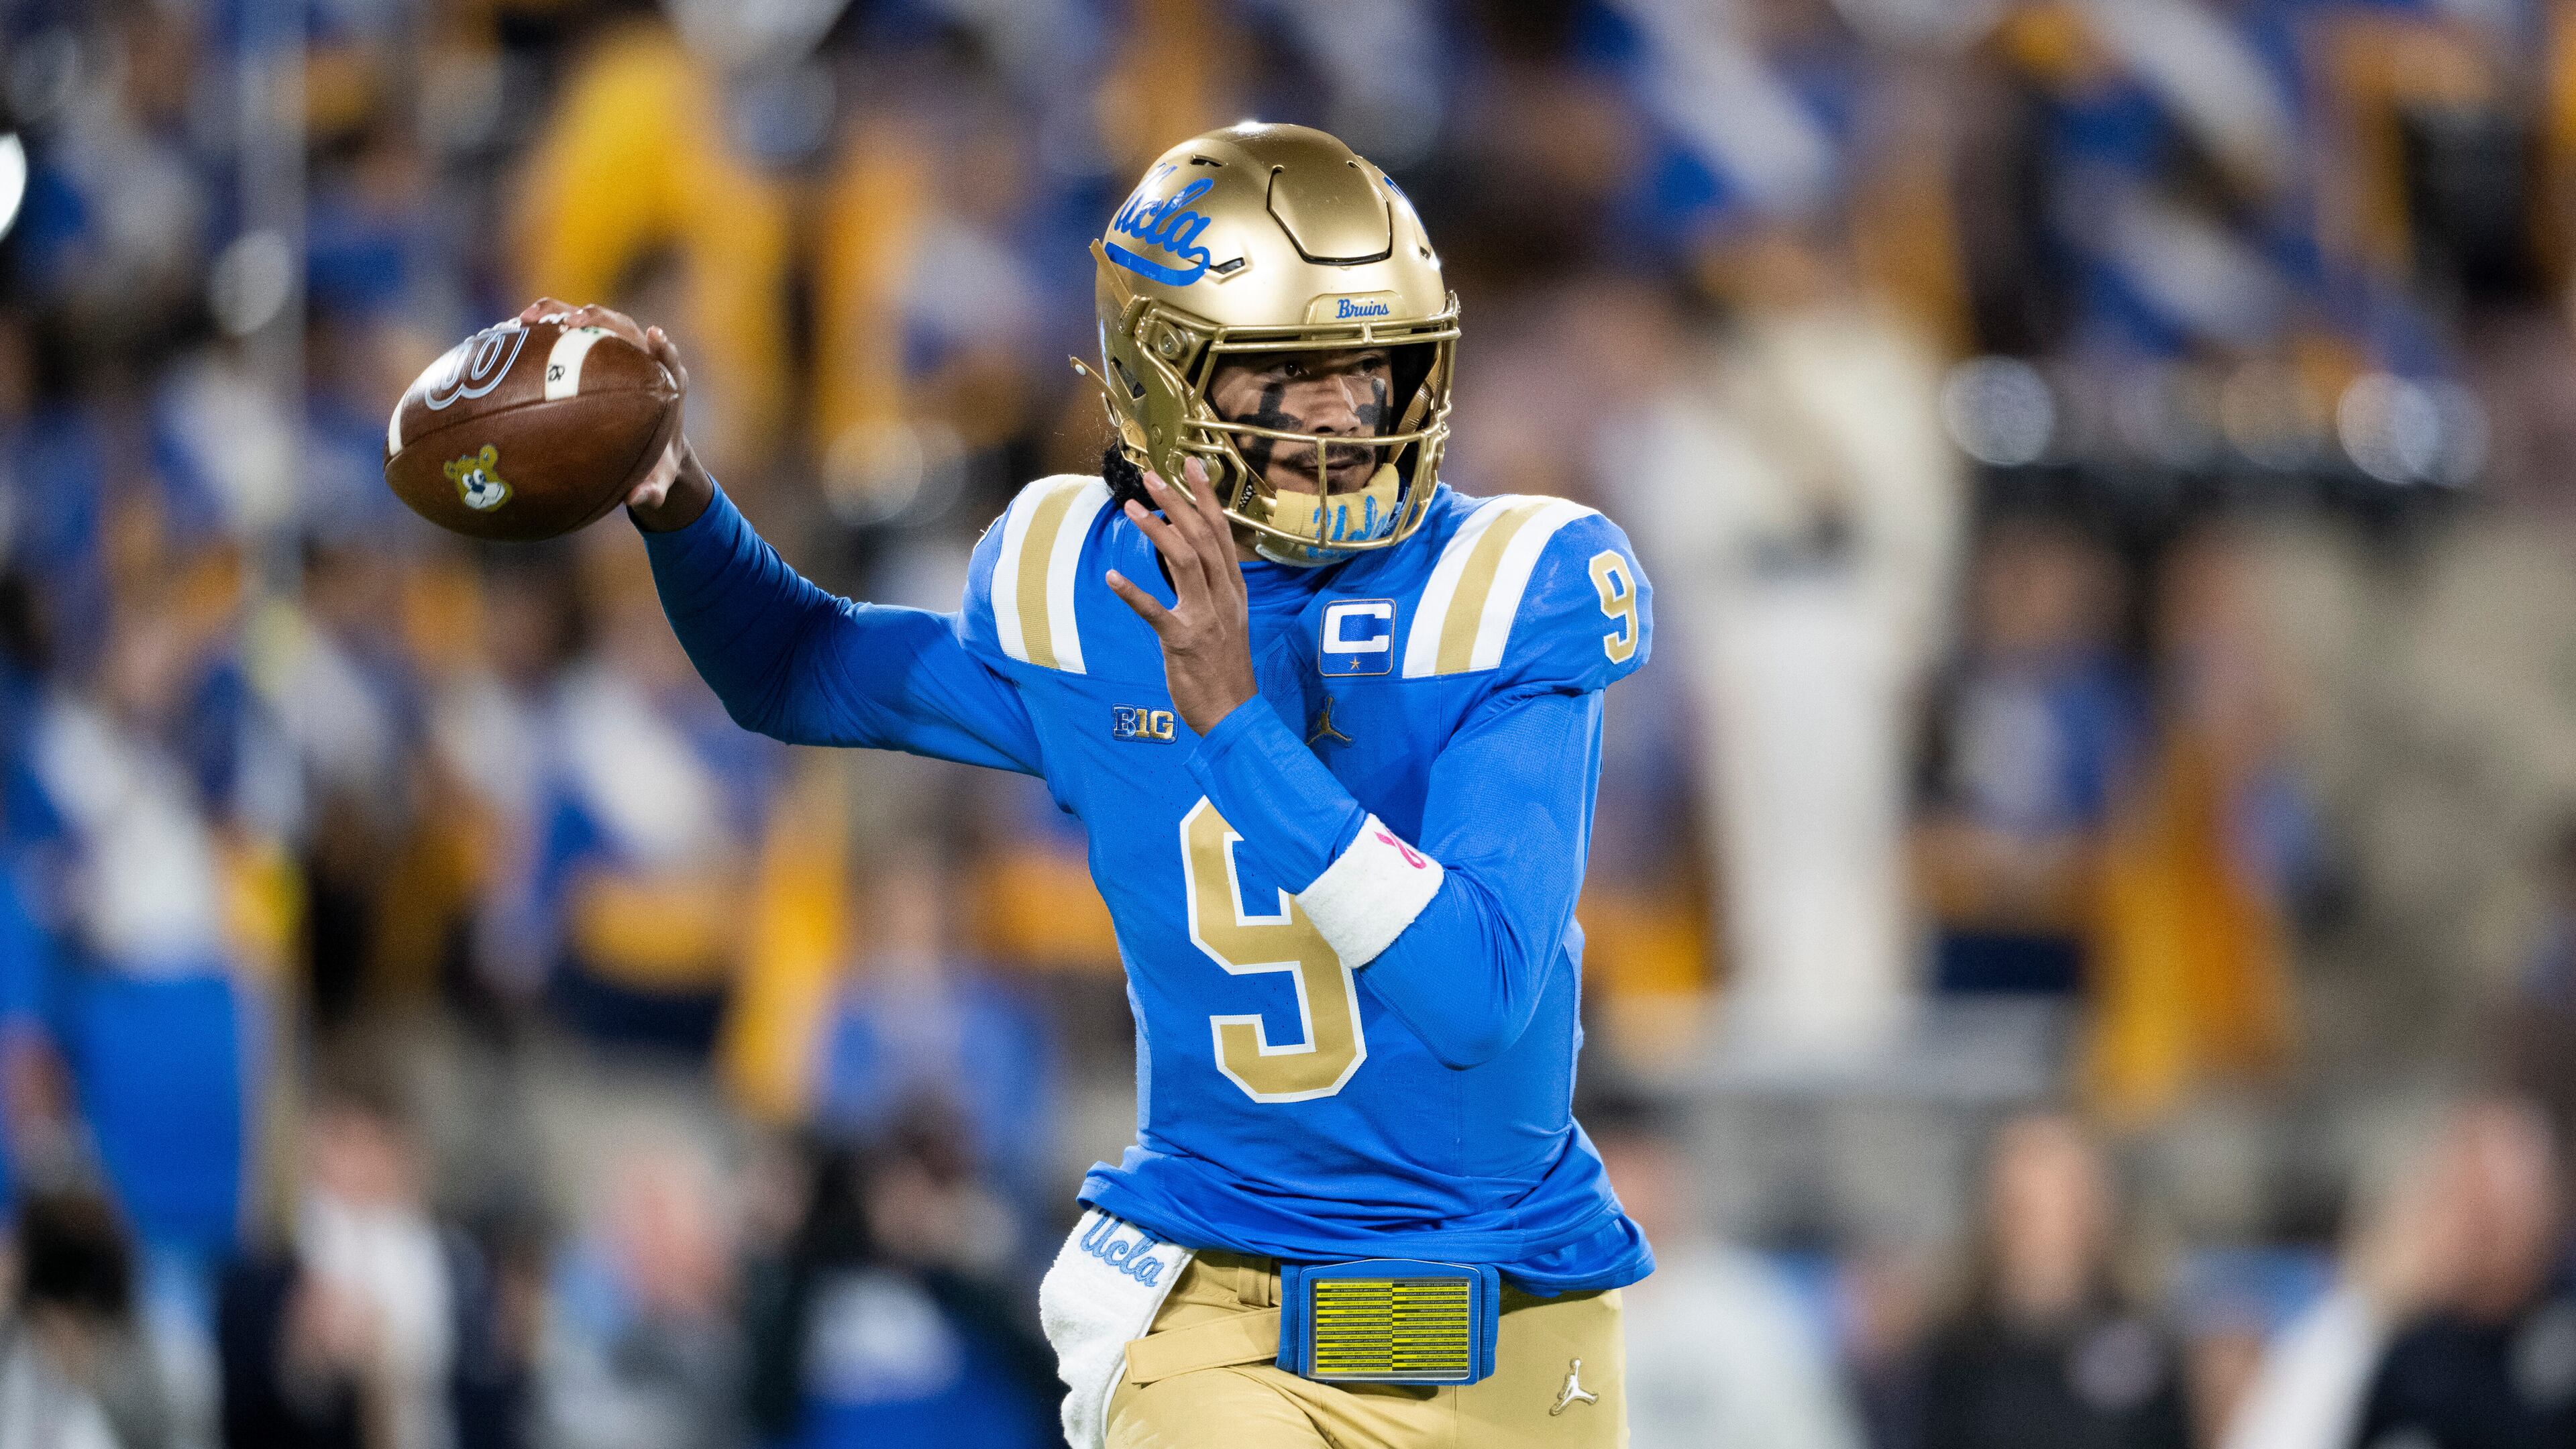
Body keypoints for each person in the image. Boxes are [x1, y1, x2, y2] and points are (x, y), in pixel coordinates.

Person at [531, 119, 1657, 1449]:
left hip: (1500, 1305)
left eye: (1372, 367)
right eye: (1286, 378)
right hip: (1215, 1285)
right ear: (1164, 382)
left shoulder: (1504, 592)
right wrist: (675, 497)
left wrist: (1237, 728)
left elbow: (1474, 992)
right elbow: (798, 671)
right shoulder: (1088, 585)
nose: (1343, 414)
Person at [1918, 1113, 2191, 1449]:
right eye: (2028, 1206)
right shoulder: (1947, 1357)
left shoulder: (2151, 1347)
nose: (2048, 1230)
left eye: (2066, 1199)